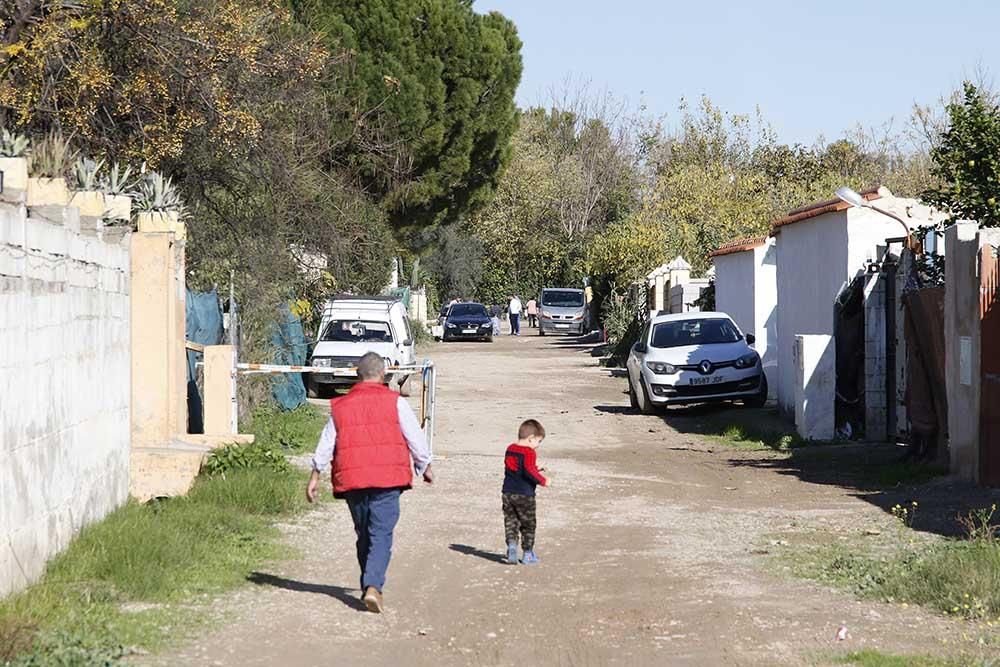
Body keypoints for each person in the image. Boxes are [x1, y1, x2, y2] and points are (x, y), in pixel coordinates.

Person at [306, 352, 433, 613]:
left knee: (364, 534)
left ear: (357, 375)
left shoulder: (340, 405)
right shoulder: (395, 402)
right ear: (383, 374)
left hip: (353, 480)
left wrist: (315, 475)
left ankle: (369, 584)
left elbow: (327, 441)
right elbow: (414, 436)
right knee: (381, 534)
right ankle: (373, 586)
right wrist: (425, 466)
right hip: (387, 480)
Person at [501, 419, 549, 565]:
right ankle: (528, 553)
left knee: (511, 521)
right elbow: (528, 472)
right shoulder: (529, 452)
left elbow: (518, 468)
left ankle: (512, 545)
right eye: (538, 441)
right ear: (531, 438)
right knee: (528, 524)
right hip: (525, 494)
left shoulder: (510, 449)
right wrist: (543, 480)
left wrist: (536, 468)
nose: (538, 445)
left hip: (507, 493)